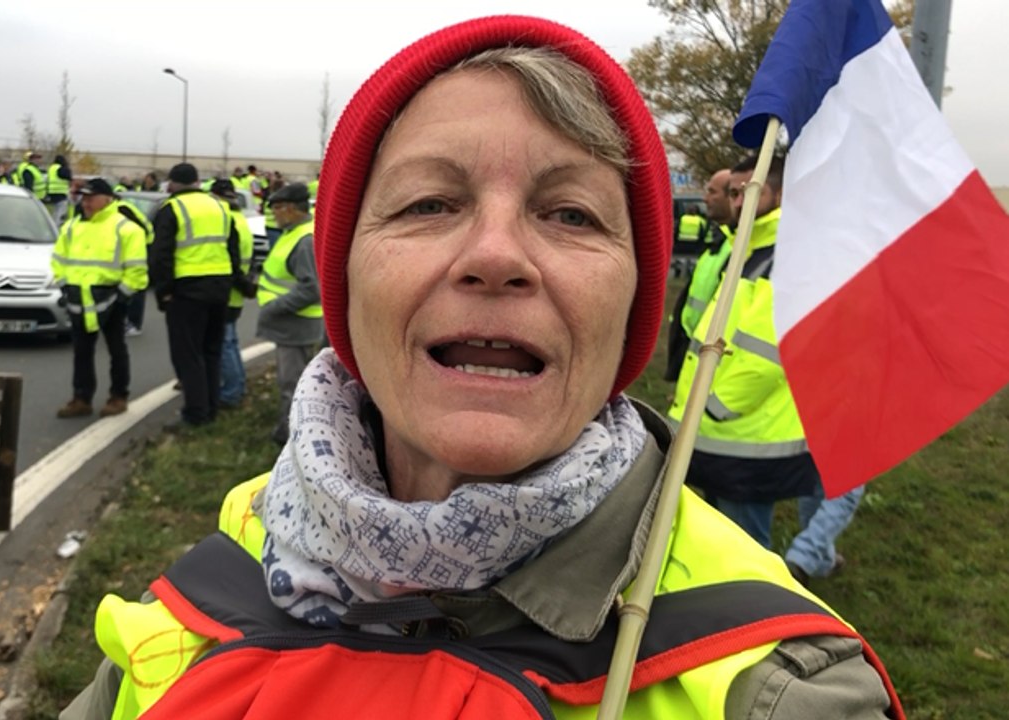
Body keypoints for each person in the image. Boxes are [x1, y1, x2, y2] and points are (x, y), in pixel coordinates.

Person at [61, 16, 900, 720]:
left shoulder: (779, 686)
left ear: (631, 300)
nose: (496, 256)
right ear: (347, 276)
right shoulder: (210, 583)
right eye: (429, 203)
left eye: (570, 213)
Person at [668, 155, 819, 551]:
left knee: (743, 550)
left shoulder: (788, 255)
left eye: (749, 192)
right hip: (719, 431)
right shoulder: (746, 249)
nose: (737, 203)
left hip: (745, 436)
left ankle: (756, 613)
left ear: (783, 194)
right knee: (717, 540)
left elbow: (767, 355)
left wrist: (712, 406)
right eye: (734, 193)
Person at [149, 162, 243, 426]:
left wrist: (164, 291)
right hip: (220, 289)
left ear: (173, 183)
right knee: (211, 352)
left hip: (186, 291)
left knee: (188, 355)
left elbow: (161, 255)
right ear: (197, 182)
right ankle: (211, 408)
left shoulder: (172, 208)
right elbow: (232, 251)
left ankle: (195, 414)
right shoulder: (220, 207)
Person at [52, 178, 149, 419]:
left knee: (116, 349)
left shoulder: (126, 228)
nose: (86, 202)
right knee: (82, 351)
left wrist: (122, 295)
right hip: (79, 298)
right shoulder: (72, 227)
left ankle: (118, 396)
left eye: (91, 198)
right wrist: (64, 286)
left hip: (111, 297)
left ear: (108, 199)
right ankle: (81, 398)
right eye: (83, 198)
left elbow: (137, 269)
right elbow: (58, 260)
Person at [255, 181, 320, 444]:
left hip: (295, 324)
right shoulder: (295, 231)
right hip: (292, 324)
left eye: (278, 208)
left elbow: (311, 288)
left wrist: (273, 307)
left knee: (291, 386)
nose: (274, 214)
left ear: (292, 209)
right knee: (295, 383)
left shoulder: (304, 239)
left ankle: (291, 440)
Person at [664, 168, 734, 381]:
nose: (706, 198)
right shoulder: (718, 241)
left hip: (715, 356)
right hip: (692, 343)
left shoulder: (738, 248)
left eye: (712, 192)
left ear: (734, 196)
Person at [210, 178, 255, 408]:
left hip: (227, 289)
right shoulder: (240, 218)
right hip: (237, 290)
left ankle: (232, 391)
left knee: (225, 343)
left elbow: (231, 260)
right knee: (231, 341)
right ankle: (237, 386)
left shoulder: (225, 220)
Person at [112, 196, 154, 336]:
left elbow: (140, 229)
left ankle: (134, 323)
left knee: (136, 285)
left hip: (141, 246)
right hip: (125, 248)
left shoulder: (122, 208)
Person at [46, 154, 73, 221]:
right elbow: (68, 177)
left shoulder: (51, 168)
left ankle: (52, 223)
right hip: (60, 192)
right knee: (60, 211)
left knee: (55, 210)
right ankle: (57, 225)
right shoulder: (61, 168)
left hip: (51, 191)